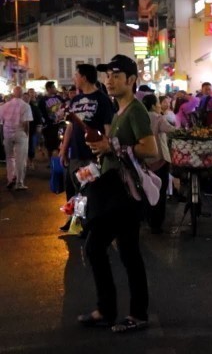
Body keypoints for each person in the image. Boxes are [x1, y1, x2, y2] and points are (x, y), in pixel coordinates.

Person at [79, 54, 158, 333]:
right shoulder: (119, 109)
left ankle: (117, 311)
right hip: (114, 188)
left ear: (132, 80)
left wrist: (113, 148)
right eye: (107, 76)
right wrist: (103, 150)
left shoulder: (135, 110)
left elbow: (150, 149)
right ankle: (122, 311)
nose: (109, 81)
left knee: (99, 247)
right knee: (125, 252)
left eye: (115, 75)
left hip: (124, 194)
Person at [58, 64, 114, 233]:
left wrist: (106, 148)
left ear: (84, 77)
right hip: (75, 153)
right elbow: (70, 127)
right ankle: (75, 220)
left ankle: (87, 225)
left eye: (76, 75)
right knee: (74, 188)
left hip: (92, 155)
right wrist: (64, 149)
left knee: (88, 190)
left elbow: (107, 128)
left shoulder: (102, 99)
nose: (74, 78)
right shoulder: (75, 100)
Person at [141, 94, 176, 234]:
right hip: (159, 160)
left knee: (145, 191)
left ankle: (146, 218)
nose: (160, 105)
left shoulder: (141, 118)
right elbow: (171, 130)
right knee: (160, 193)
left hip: (144, 160)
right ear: (153, 105)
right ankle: (156, 223)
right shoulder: (158, 118)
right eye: (158, 102)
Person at [0, 86, 33, 190]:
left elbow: (1, 123)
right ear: (22, 94)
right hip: (20, 133)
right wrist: (27, 134)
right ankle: (19, 183)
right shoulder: (25, 106)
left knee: (9, 158)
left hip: (7, 133)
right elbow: (26, 123)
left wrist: (2, 136)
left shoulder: (4, 106)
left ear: (13, 93)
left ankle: (11, 178)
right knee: (21, 159)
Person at [38, 81, 64, 158]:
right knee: (49, 144)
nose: (55, 89)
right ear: (48, 89)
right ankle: (51, 161)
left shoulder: (59, 98)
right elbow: (41, 113)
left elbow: (64, 107)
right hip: (49, 125)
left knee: (59, 142)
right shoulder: (43, 100)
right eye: (53, 87)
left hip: (60, 124)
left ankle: (60, 160)